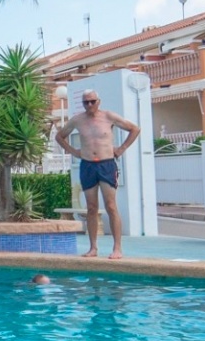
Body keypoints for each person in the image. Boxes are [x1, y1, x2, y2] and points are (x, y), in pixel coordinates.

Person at [55, 89, 141, 260]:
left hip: (106, 164)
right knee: (91, 208)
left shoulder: (108, 116)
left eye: (92, 101)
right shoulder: (77, 120)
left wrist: (121, 149)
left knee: (111, 206)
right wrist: (74, 152)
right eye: (86, 102)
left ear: (98, 101)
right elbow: (60, 136)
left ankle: (117, 248)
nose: (89, 105)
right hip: (87, 165)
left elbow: (134, 129)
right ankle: (93, 247)